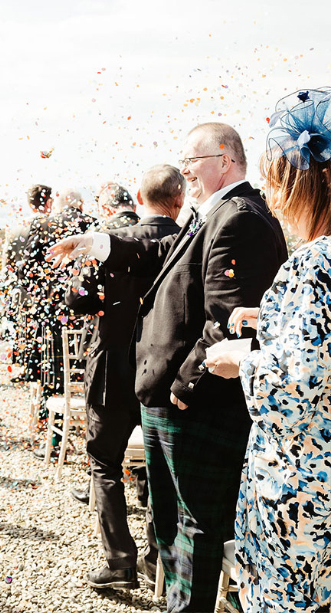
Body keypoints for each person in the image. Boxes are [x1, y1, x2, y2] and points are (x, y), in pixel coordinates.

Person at [49, 123, 287, 611]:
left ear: (225, 159)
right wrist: (99, 244)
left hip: (196, 407)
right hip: (167, 401)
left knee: (193, 530)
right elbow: (162, 253)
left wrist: (183, 386)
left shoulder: (240, 218)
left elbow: (230, 320)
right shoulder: (212, 213)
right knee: (170, 525)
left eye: (191, 162)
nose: (186, 174)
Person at [205, 88, 331, 613]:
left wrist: (241, 360)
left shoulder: (316, 264)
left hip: (302, 486)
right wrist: (273, 317)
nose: (272, 200)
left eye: (278, 184)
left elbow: (299, 384)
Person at [65, 167, 185, 590]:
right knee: (158, 467)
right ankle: (157, 557)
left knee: (104, 462)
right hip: (165, 371)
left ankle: (119, 561)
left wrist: (104, 302)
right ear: (180, 198)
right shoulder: (186, 241)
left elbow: (76, 298)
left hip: (114, 367)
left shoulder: (111, 242)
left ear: (138, 195)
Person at [21, 187, 95, 458]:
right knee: (83, 373)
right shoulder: (93, 224)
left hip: (51, 312)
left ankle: (54, 440)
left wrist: (45, 295)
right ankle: (89, 436)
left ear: (58, 204)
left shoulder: (42, 224)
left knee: (54, 373)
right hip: (84, 313)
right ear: (81, 204)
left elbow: (25, 270)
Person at [4, 184, 53, 381]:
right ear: (48, 202)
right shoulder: (53, 225)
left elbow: (6, 262)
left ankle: (25, 368)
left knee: (24, 329)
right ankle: (45, 368)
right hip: (47, 290)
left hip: (21, 290)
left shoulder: (16, 229)